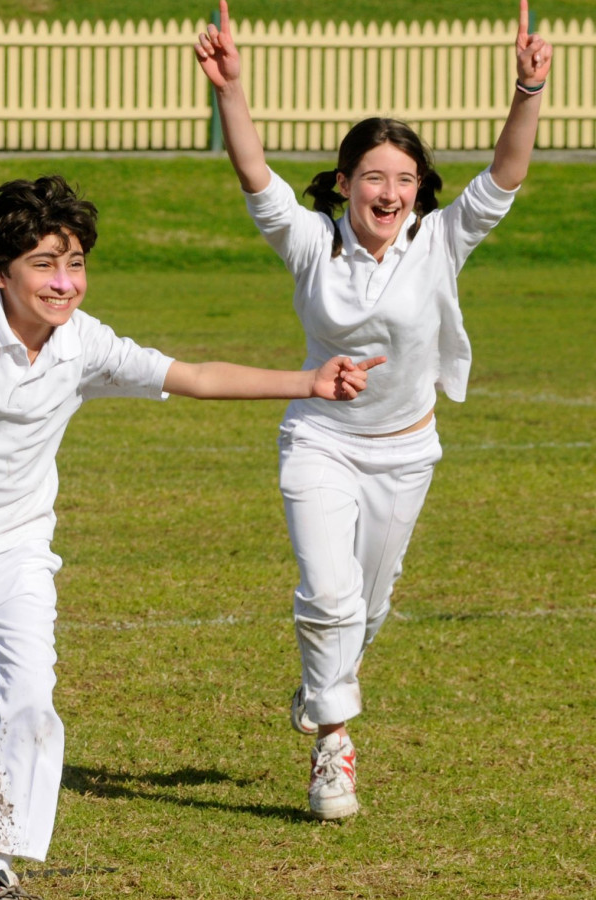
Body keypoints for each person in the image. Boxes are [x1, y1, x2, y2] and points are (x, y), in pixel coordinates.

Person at [0, 175, 383, 899]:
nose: (64, 281)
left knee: (31, 704)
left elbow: (194, 375)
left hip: (19, 551)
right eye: (43, 263)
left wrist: (309, 382)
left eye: (74, 262)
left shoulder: (86, 343)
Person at [195, 0, 552, 821]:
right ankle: (333, 747)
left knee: (368, 608)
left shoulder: (440, 240)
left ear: (419, 188)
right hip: (320, 440)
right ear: (347, 182)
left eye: (402, 179)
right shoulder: (311, 241)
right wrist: (231, 93)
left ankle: (323, 684)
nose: (387, 193)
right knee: (328, 595)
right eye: (371, 177)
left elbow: (505, 175)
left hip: (405, 453)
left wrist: (528, 91)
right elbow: (256, 176)